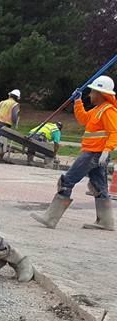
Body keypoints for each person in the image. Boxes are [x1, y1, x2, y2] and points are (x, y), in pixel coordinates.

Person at [31, 76, 116, 231]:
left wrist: (107, 150)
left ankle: (51, 217)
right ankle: (106, 221)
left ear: (100, 93)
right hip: (95, 153)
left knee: (67, 180)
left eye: (92, 92)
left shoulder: (108, 110)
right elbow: (83, 119)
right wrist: (78, 101)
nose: (90, 94)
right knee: (99, 186)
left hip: (93, 153)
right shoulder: (98, 110)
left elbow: (114, 132)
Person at [0, 89, 21, 160]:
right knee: (3, 142)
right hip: (5, 125)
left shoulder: (2, 102)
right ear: (17, 97)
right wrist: (15, 123)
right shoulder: (15, 104)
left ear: (10, 95)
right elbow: (14, 115)